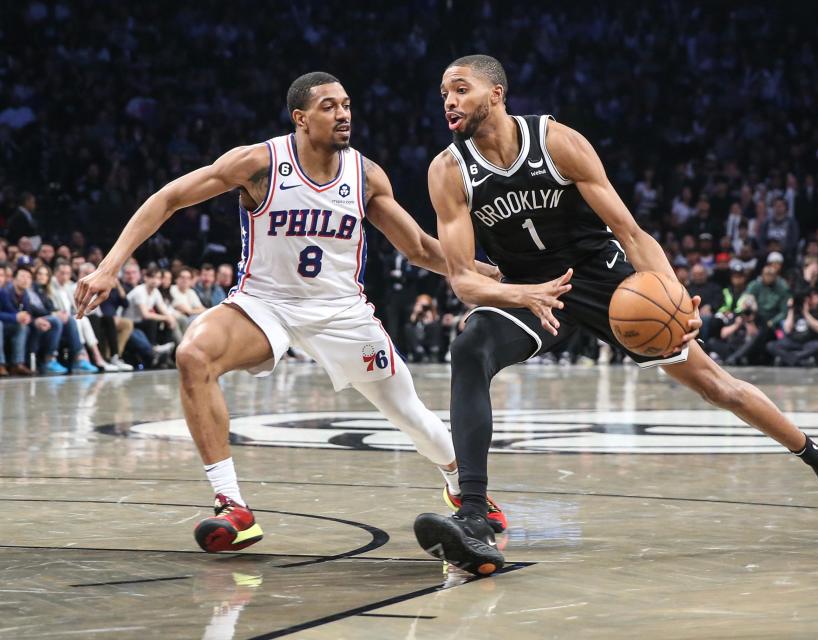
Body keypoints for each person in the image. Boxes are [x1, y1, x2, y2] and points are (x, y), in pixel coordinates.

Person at [413, 55, 818, 576]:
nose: (450, 101)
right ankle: (476, 518)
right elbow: (462, 278)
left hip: (604, 281)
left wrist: (675, 297)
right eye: (444, 94)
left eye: (461, 89)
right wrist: (521, 294)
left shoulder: (556, 143)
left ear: (497, 94)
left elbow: (632, 232)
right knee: (470, 349)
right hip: (533, 291)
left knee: (717, 386)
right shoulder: (448, 170)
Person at [75, 71, 505, 554]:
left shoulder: (364, 175)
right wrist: (109, 267)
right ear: (301, 118)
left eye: (346, 105)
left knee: (409, 415)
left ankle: (463, 487)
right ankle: (232, 507)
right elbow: (168, 199)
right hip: (265, 306)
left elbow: (421, 249)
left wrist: (491, 274)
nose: (343, 114)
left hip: (341, 313)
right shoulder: (259, 163)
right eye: (329, 106)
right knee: (194, 354)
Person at [767, 288, 818, 366]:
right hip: (792, 342)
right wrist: (791, 309)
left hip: (807, 342)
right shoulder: (794, 312)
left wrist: (806, 313)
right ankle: (800, 361)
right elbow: (787, 330)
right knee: (771, 345)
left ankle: (790, 358)